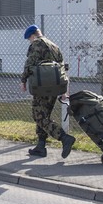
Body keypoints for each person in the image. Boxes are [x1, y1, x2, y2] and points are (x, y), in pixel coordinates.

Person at [21, 25, 76, 159]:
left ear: (32, 36)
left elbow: (30, 63)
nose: (30, 41)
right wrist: (64, 89)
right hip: (55, 87)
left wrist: (23, 80)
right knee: (43, 115)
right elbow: (62, 68)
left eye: (29, 39)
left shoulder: (36, 44)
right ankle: (41, 147)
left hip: (41, 87)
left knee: (38, 116)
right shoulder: (54, 46)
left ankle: (64, 138)